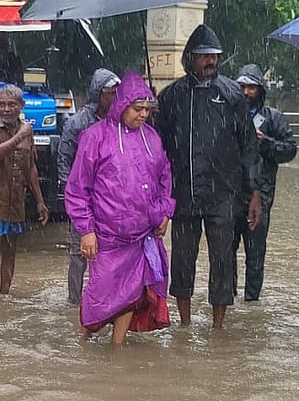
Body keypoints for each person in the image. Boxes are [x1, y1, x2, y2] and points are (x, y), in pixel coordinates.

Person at [156, 24, 256, 329]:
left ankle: (218, 327)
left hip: (225, 195)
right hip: (183, 193)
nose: (210, 61)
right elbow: (158, 149)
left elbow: (249, 147)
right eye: (203, 56)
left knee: (223, 261)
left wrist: (254, 194)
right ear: (190, 59)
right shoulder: (171, 96)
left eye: (214, 55)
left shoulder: (231, 96)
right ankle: (184, 324)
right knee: (182, 261)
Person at [66, 72, 174, 344]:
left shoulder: (152, 137)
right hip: (107, 237)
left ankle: (117, 346)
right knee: (99, 297)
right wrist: (86, 231)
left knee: (132, 294)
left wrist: (164, 212)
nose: (143, 115)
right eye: (138, 109)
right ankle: (82, 342)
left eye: (148, 110)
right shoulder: (95, 137)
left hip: (142, 236)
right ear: (122, 104)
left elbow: (165, 177)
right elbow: (78, 189)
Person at [0, 84, 50, 294]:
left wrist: (40, 201)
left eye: (11, 105)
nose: (6, 109)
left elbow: (31, 167)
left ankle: (4, 296)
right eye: (2, 105)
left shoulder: (26, 129)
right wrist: (19, 136)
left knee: (10, 251)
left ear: (21, 106)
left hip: (14, 200)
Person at [56, 68, 121, 305]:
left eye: (117, 93)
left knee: (109, 251)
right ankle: (74, 302)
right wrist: (70, 198)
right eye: (111, 93)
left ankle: (103, 299)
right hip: (83, 198)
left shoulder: (119, 121)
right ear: (98, 94)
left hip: (111, 199)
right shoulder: (77, 123)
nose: (116, 98)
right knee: (79, 252)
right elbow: (64, 160)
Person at [234, 64, 297, 302]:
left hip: (262, 195)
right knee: (224, 254)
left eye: (251, 87)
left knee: (255, 253)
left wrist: (266, 143)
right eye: (241, 87)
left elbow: (290, 150)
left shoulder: (273, 118)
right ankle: (226, 299)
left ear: (260, 90)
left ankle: (251, 302)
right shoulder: (227, 116)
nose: (246, 92)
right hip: (229, 194)